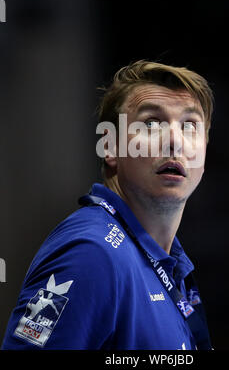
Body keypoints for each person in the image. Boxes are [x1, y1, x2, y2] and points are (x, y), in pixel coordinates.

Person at [1, 59, 214, 350]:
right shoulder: (92, 254)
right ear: (110, 146)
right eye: (151, 123)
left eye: (190, 125)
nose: (175, 141)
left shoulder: (169, 264)